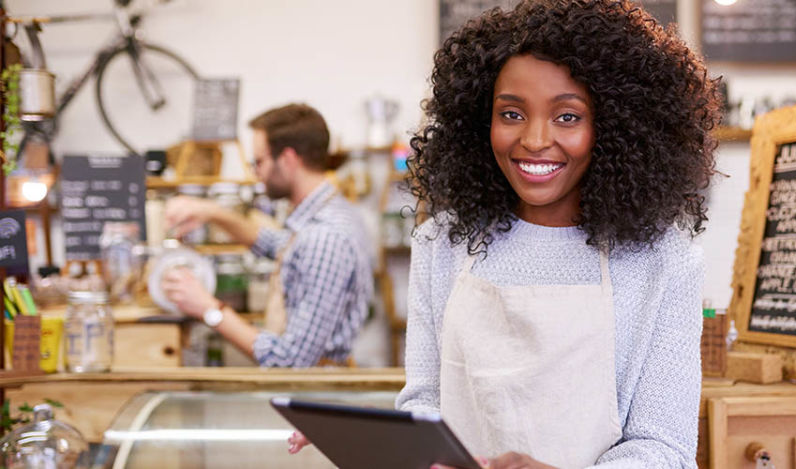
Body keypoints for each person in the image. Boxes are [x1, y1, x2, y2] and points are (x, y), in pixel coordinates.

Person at [290, 0, 719, 466]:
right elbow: (426, 401)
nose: (534, 139)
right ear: (478, 121)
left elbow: (665, 449)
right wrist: (390, 444)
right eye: (511, 113)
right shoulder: (443, 243)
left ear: (616, 127)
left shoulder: (663, 261)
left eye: (568, 116)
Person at [162, 103, 373, 367]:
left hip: (314, 396)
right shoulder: (324, 214)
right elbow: (275, 245)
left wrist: (207, 308)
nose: (256, 171)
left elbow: (289, 361)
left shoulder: (324, 236)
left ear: (287, 159)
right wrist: (212, 212)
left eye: (259, 161)